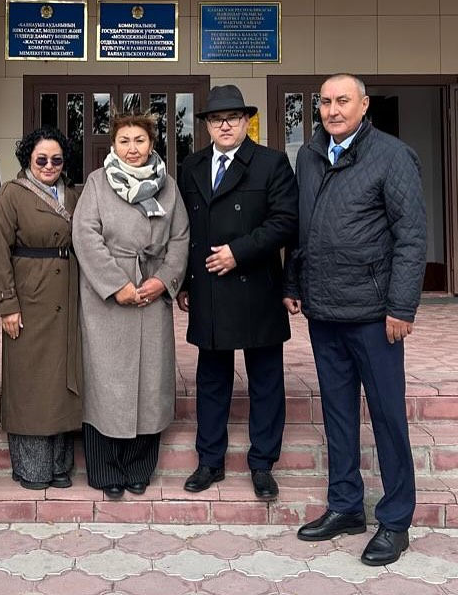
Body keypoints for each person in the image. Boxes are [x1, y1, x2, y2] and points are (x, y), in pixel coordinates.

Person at [283, 73, 427, 566]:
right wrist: (292, 283)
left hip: (374, 316)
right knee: (339, 415)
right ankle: (345, 506)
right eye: (325, 102)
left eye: (343, 100)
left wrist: (401, 307)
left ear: (364, 106)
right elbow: (302, 228)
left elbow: (411, 237)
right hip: (324, 312)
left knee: (387, 418)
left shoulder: (393, 156)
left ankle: (396, 520)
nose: (333, 110)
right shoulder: (309, 155)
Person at [177, 85, 298, 501]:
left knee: (265, 380)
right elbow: (186, 230)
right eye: (216, 119)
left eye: (232, 117)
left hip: (256, 285)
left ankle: (262, 463)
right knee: (212, 379)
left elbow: (285, 222)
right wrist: (186, 281)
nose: (224, 125)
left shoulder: (271, 163)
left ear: (246, 121)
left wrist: (238, 253)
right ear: (207, 126)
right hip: (209, 287)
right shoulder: (192, 165)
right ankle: (209, 461)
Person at [72, 112, 189, 498]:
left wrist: (163, 280)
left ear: (152, 144)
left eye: (139, 140)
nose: (132, 148)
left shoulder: (168, 186)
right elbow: (85, 235)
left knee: (150, 383)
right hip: (107, 299)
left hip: (152, 294)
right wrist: (116, 284)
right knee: (106, 383)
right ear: (113, 145)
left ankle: (139, 466)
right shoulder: (97, 182)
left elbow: (180, 238)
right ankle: (105, 468)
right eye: (124, 141)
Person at [0, 127, 81, 489]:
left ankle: (59, 466)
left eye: (57, 159)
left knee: (61, 381)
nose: (49, 165)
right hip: (28, 298)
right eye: (41, 158)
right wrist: (7, 305)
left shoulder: (73, 195)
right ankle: (32, 468)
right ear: (28, 158)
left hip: (67, 295)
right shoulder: (10, 195)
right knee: (30, 381)